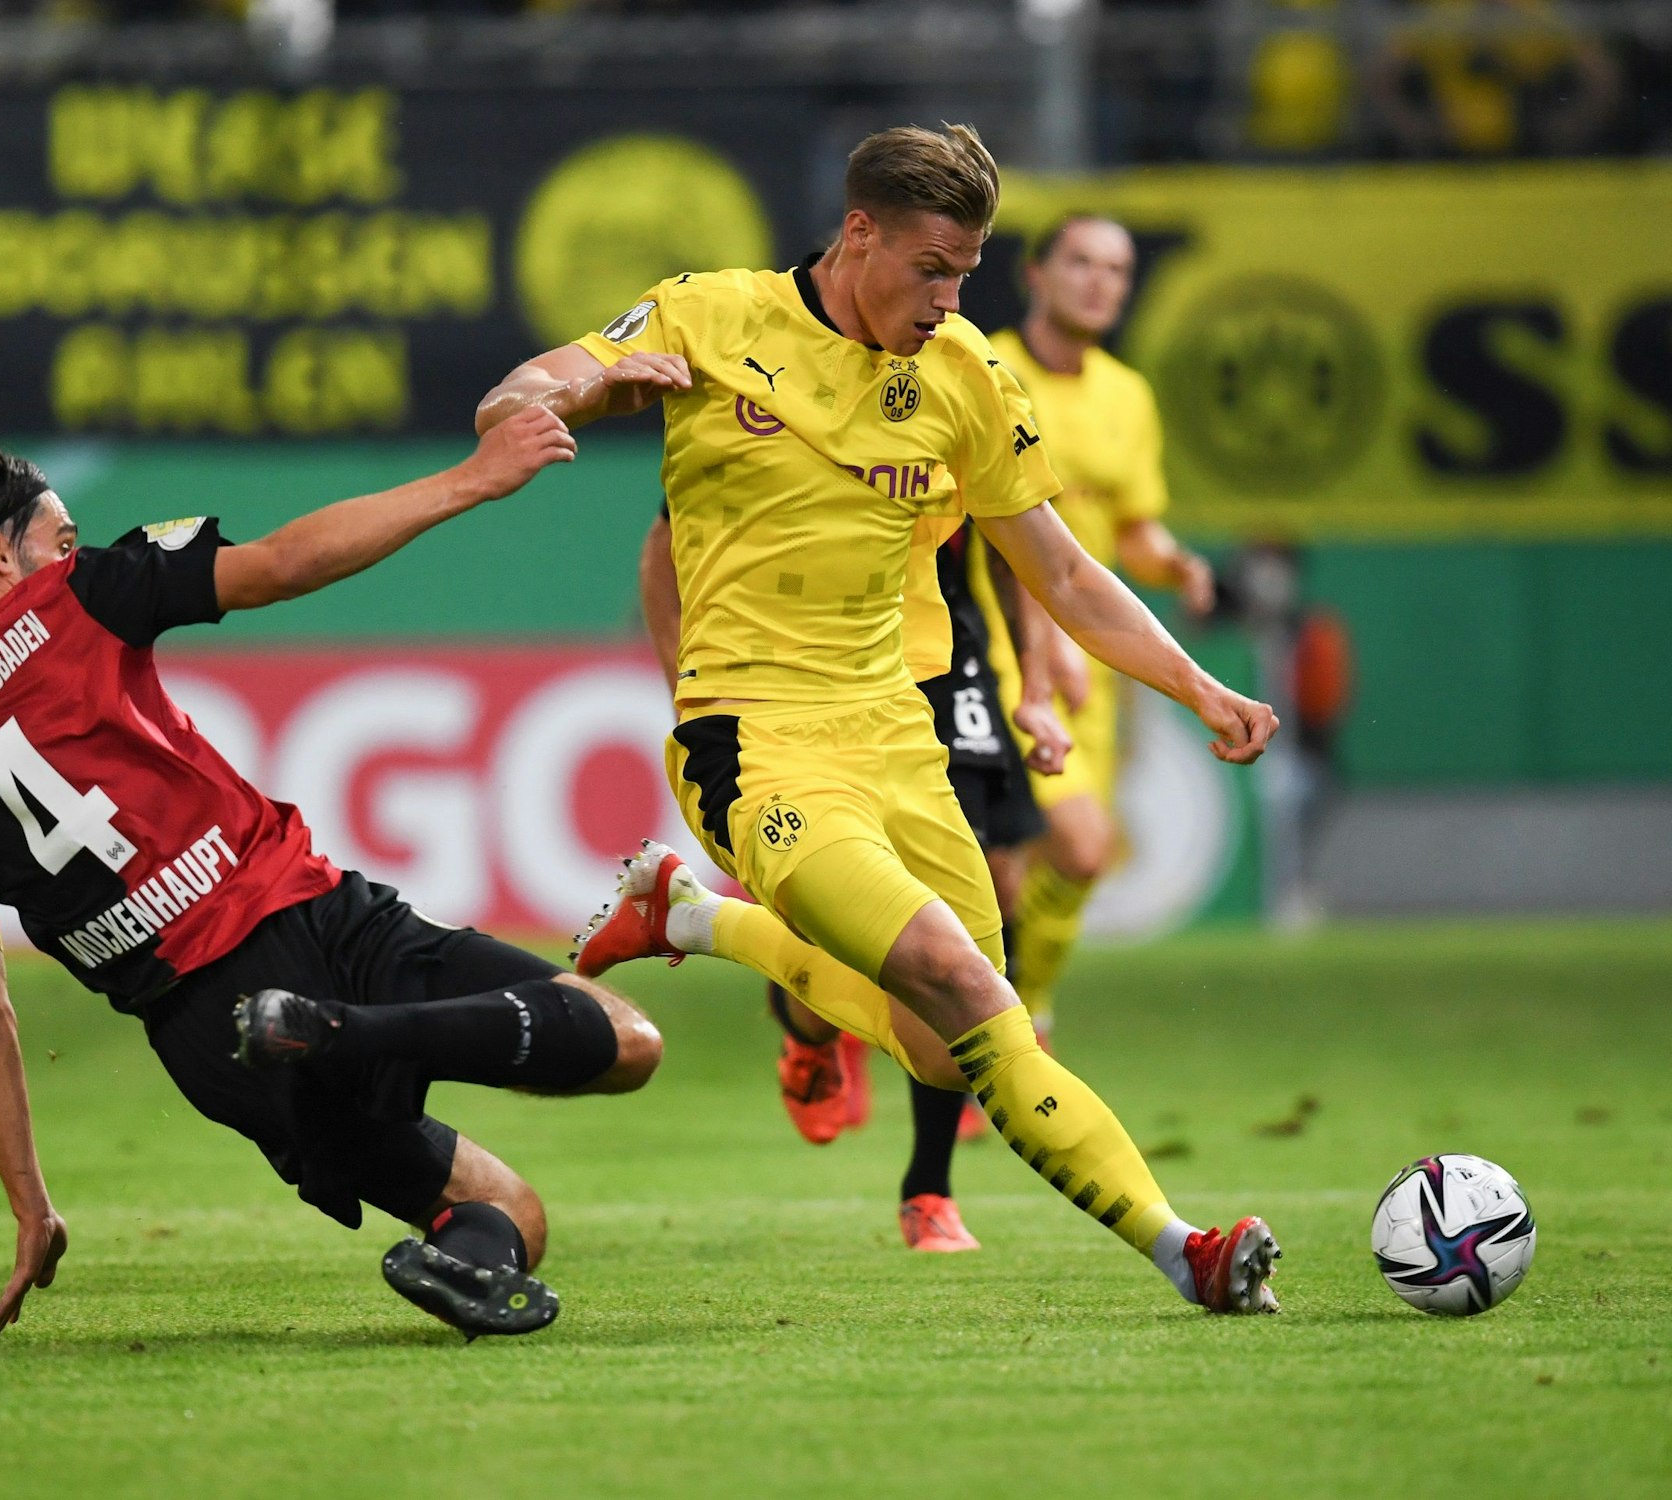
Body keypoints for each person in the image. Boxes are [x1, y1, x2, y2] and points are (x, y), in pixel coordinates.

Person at [477, 123, 1285, 1314]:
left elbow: (1062, 576)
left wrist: (1197, 684)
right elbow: (530, 379)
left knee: (933, 1041)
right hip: (754, 740)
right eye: (932, 268)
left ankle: (691, 920)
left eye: (966, 273)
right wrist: (562, 395)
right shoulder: (712, 316)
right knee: (959, 983)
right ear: (859, 233)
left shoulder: (962, 373)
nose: (951, 298)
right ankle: (1188, 1252)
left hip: (898, 739)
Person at [0, 407, 662, 1342]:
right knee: (626, 1040)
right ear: (3, 555)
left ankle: (427, 1207)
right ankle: (342, 1029)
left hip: (210, 1040)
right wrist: (472, 478)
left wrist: (31, 1206)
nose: (70, 551)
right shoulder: (74, 598)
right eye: (59, 537)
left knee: (508, 1218)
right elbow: (284, 562)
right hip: (305, 920)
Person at [640, 505, 1068, 1251]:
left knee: (991, 889)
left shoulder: (962, 396)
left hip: (940, 665)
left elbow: (1020, 546)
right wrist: (688, 677)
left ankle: (928, 1188)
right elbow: (666, 540)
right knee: (849, 913)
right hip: (811, 673)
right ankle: (807, 1024)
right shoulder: (768, 409)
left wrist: (1039, 678)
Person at [987, 213, 1216, 1050]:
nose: (1099, 282)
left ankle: (1018, 1007)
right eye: (1080, 262)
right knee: (1049, 854)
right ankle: (1010, 1025)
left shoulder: (1128, 395)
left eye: (1116, 270)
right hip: (999, 648)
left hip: (1097, 660)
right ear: (1036, 275)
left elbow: (1131, 532)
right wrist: (1039, 648)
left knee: (1074, 861)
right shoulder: (987, 367)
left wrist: (1176, 565)